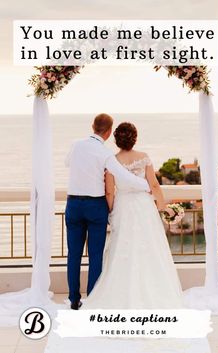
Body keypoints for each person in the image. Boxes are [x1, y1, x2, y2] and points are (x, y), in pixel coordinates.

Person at [82, 122, 183, 309]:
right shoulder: (144, 158)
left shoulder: (112, 160)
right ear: (134, 138)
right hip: (144, 207)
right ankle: (154, 293)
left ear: (116, 139)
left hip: (123, 207)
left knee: (122, 247)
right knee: (149, 248)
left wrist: (111, 212)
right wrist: (163, 207)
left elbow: (109, 192)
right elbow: (154, 185)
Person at [65, 114, 151, 310]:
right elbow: (123, 176)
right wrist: (146, 185)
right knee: (95, 255)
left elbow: (67, 163)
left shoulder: (76, 144)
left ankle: (73, 299)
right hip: (95, 206)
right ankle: (93, 298)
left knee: (74, 254)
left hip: (73, 205)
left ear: (92, 126)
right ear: (109, 131)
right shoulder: (105, 154)